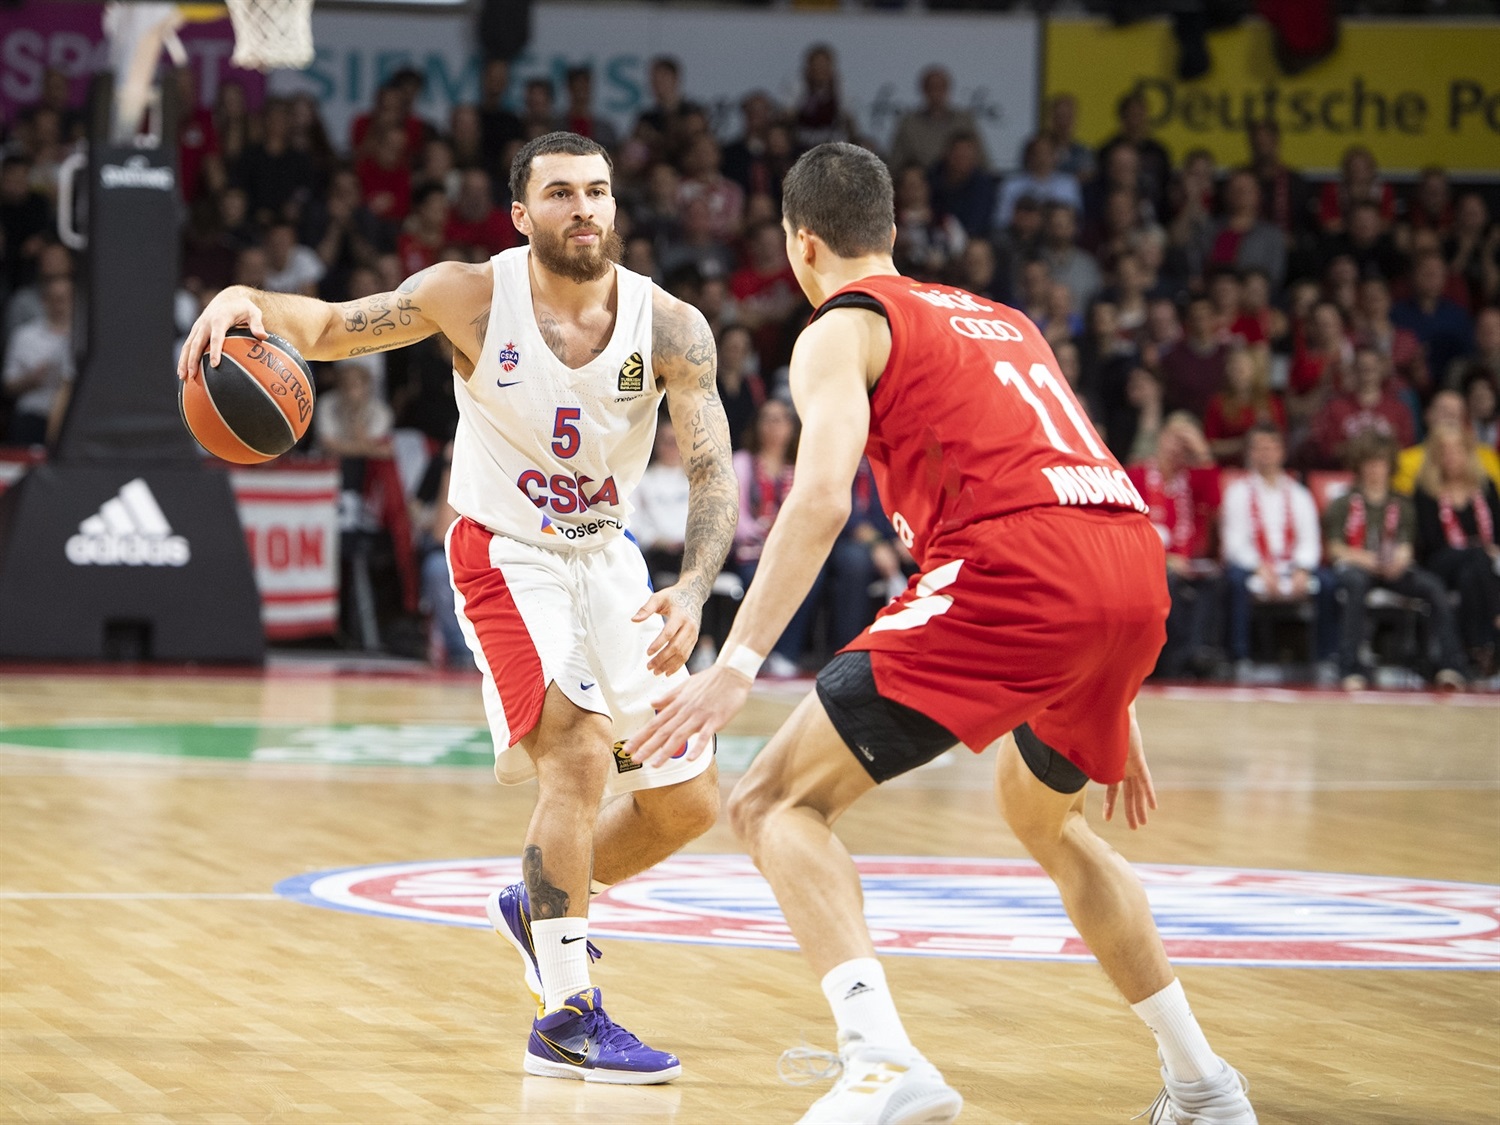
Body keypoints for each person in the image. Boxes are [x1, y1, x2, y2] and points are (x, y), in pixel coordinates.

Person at [627, 142, 1256, 1125]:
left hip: (1020, 571)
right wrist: (1107, 676)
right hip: (1130, 571)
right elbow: (1066, 469)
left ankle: (881, 1060)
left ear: (801, 245)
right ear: (889, 229)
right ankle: (1204, 1083)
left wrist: (735, 664)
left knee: (773, 801)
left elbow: (820, 499)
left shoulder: (841, 328)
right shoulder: (1002, 319)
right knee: (1046, 819)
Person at [178, 132, 739, 1084]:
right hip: (504, 551)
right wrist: (247, 300)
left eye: (597, 191)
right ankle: (566, 1013)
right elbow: (327, 326)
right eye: (560, 193)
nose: (584, 208)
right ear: (521, 215)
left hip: (609, 559)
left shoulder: (673, 327)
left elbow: (713, 471)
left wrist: (691, 584)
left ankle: (541, 903)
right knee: (577, 752)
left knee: (688, 802)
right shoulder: (469, 296)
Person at [1321, 434, 1467, 692]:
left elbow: (1407, 545)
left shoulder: (1402, 503)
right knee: (1355, 584)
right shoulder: (1343, 502)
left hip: (1393, 569)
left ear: (1390, 466)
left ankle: (1450, 664)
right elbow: (1335, 548)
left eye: (1380, 463)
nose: (1375, 470)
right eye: (1369, 463)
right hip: (1357, 567)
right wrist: (1368, 560)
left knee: (1432, 586)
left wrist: (1399, 560)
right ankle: (1349, 666)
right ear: (1359, 466)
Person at [1219, 424, 1325, 681]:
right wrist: (1259, 567)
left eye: (1271, 447)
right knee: (1233, 580)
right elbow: (1233, 544)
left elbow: (1310, 540)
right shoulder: (1237, 493)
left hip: (1291, 567)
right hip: (1255, 567)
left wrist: (1302, 569)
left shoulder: (1300, 494)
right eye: (1259, 448)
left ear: (1282, 452)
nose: (1265, 454)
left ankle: (1324, 660)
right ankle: (1239, 658)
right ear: (1250, 453)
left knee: (1330, 584)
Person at [1127, 413, 1223, 679]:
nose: (1177, 448)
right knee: (1170, 579)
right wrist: (1165, 558)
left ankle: (1198, 654)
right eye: (1173, 439)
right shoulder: (1137, 474)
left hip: (1188, 561)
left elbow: (1215, 501)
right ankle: (1175, 660)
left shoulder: (1191, 479)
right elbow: (1126, 527)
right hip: (1145, 560)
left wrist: (1201, 450)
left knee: (1215, 580)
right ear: (1160, 439)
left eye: (1184, 443)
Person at [1412, 425, 1500, 679]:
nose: (1451, 457)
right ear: (1435, 456)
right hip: (1439, 563)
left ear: (1468, 453)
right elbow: (1429, 541)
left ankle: (1473, 651)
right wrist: (1478, 548)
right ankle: (1495, 618)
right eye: (1444, 451)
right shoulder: (1425, 490)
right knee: (1477, 556)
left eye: (1457, 450)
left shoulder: (1485, 486)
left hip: (1479, 566)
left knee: (1470, 575)